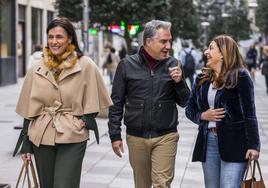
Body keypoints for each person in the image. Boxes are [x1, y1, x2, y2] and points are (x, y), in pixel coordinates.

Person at [15, 17, 112, 188]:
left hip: (72, 135)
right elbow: (28, 109)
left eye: (59, 37)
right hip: (41, 135)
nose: (54, 41)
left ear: (70, 38)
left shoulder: (85, 65)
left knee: (64, 184)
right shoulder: (37, 67)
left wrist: (84, 121)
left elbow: (95, 96)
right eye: (50, 37)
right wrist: (26, 144)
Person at [108, 20, 190, 188]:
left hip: (166, 136)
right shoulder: (126, 65)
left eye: (170, 41)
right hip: (136, 136)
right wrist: (114, 135)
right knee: (142, 185)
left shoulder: (173, 64)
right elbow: (116, 102)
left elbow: (185, 101)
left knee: (161, 184)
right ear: (148, 42)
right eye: (163, 41)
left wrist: (179, 82)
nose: (168, 46)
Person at [185, 35, 260, 188]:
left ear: (223, 54)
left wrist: (253, 145)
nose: (206, 51)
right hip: (209, 142)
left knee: (229, 185)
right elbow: (189, 109)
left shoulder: (241, 76)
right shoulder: (201, 78)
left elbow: (250, 114)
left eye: (211, 48)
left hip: (235, 143)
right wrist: (202, 115)